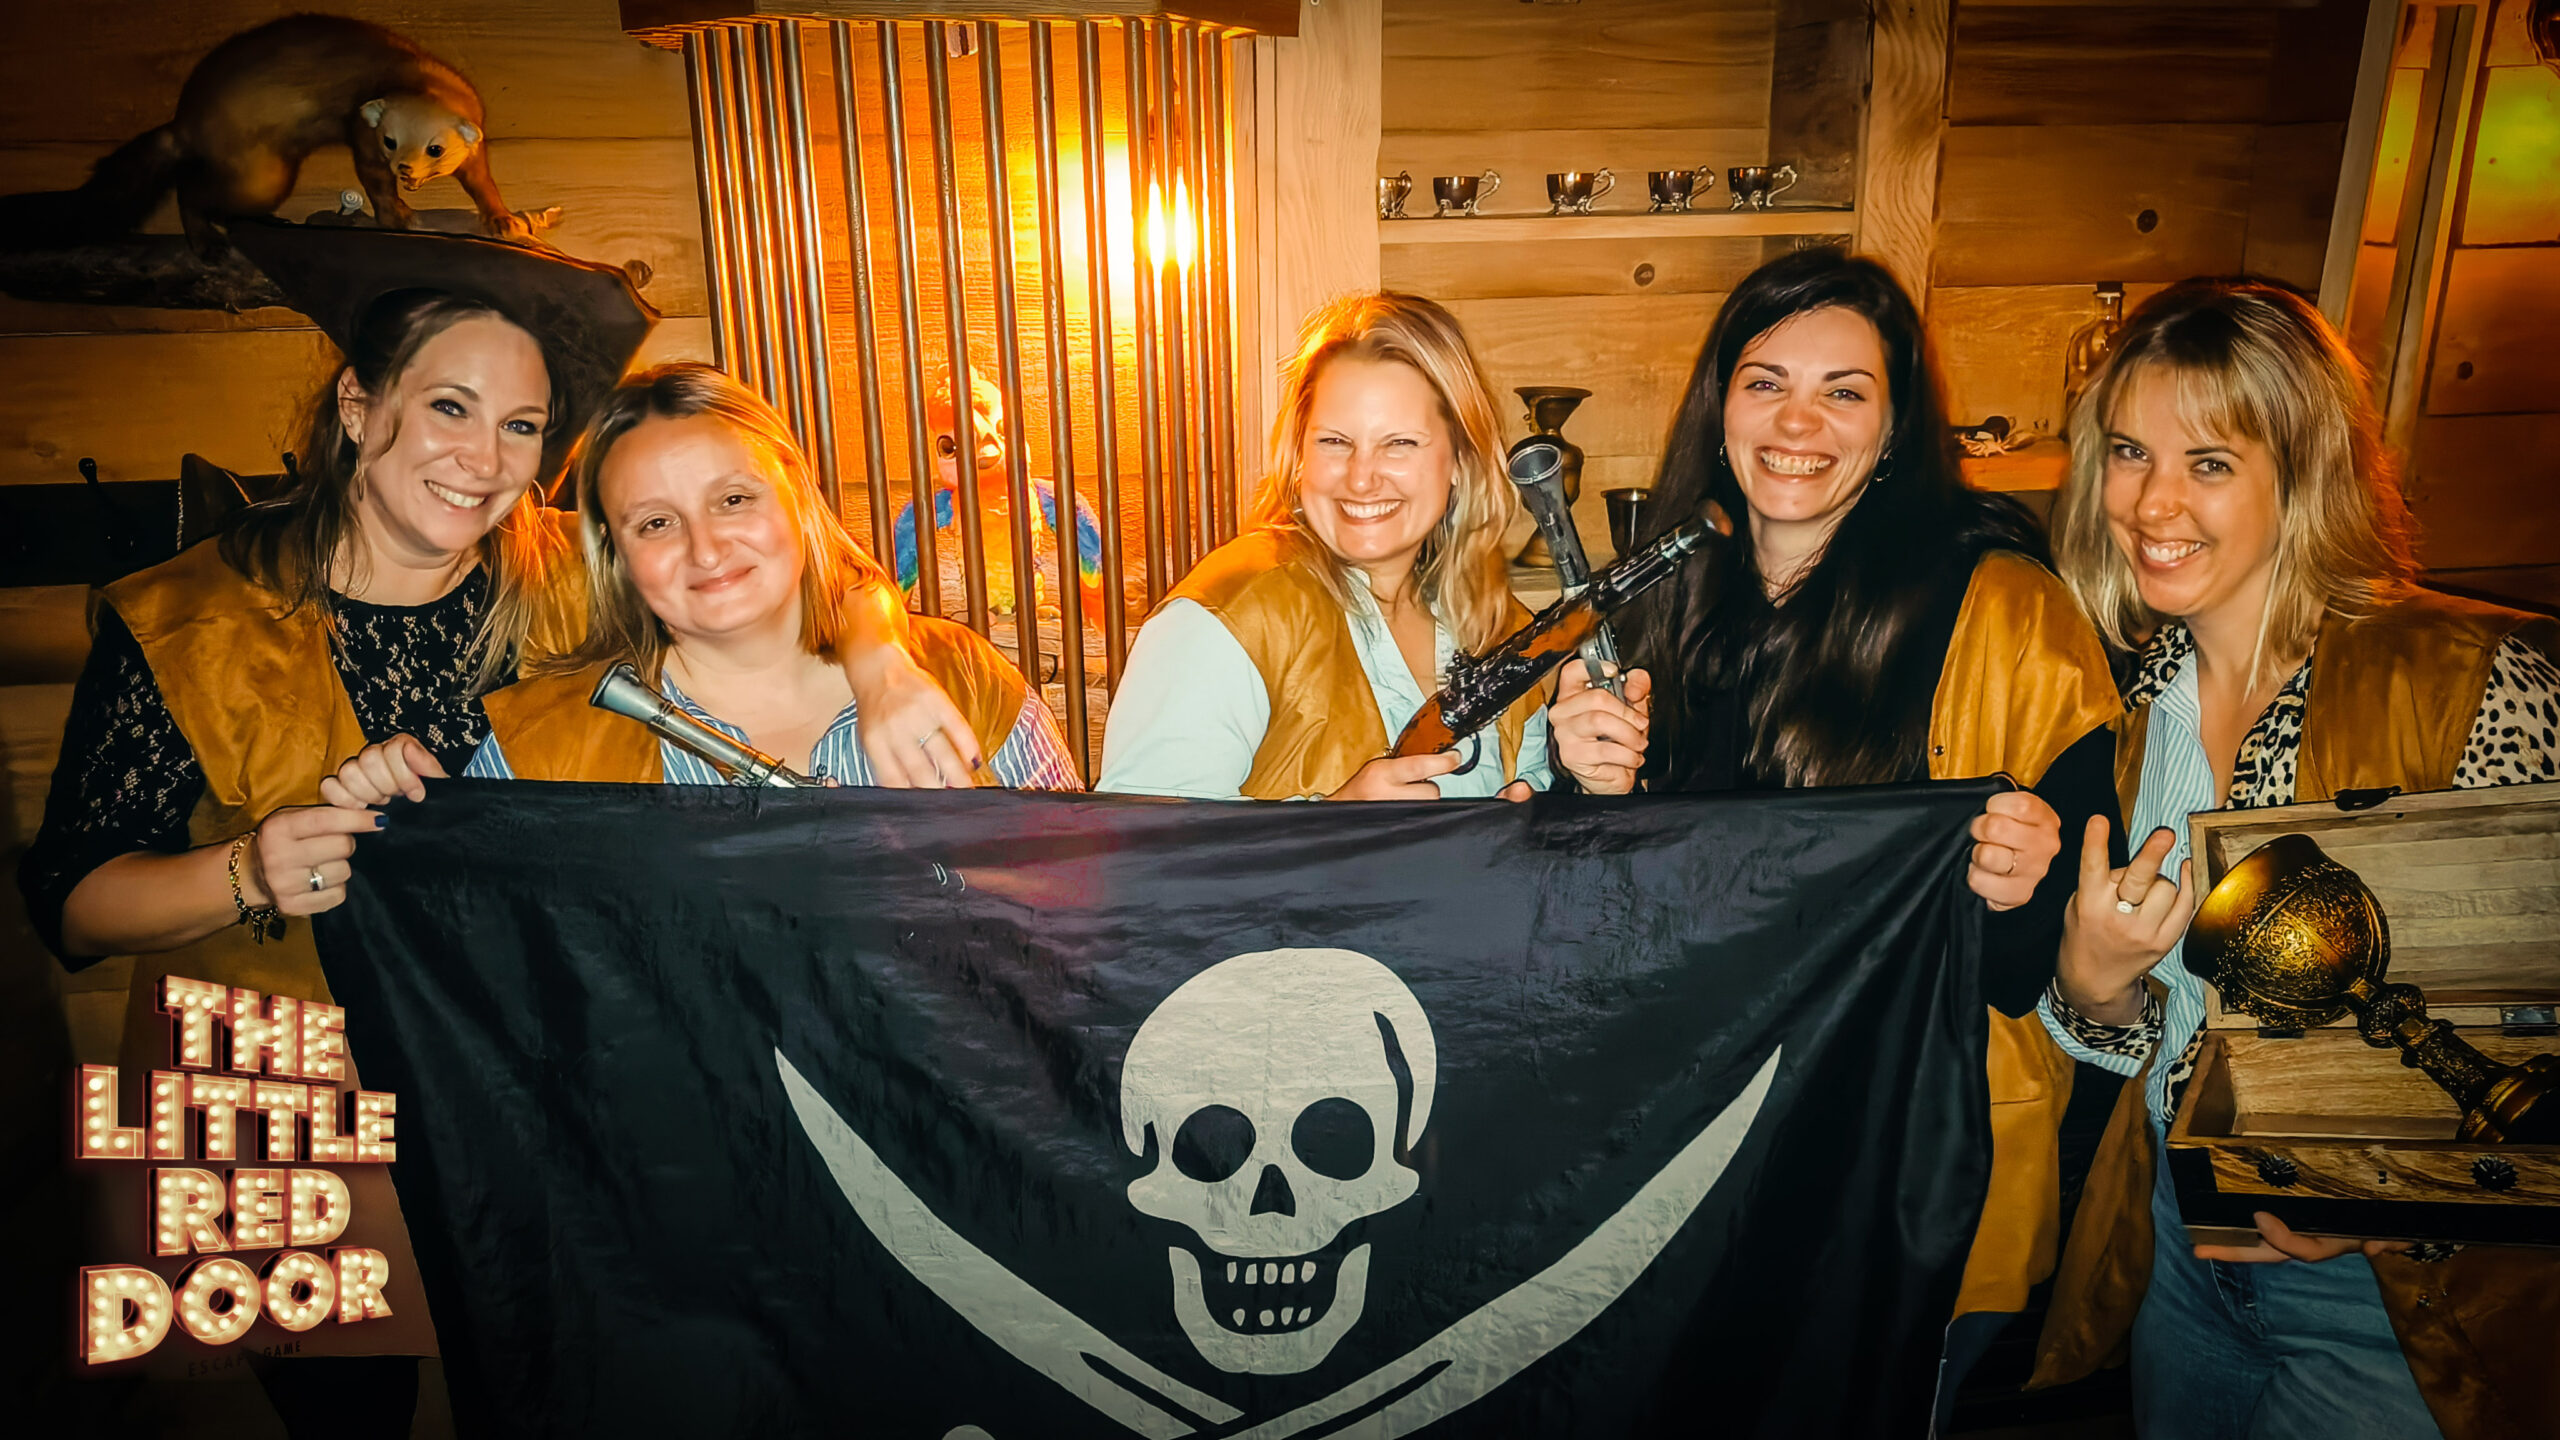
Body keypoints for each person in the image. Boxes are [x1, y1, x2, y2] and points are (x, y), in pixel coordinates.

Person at [12, 223, 987, 1435]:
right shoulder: (184, 617)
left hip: (524, 1069)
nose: (482, 460)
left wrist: (884, 659)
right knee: (351, 1414)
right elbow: (73, 905)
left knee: (550, 1379)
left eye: (520, 426)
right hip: (274, 1077)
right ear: (360, 405)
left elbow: (783, 565)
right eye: (448, 408)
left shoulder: (572, 570)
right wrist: (249, 869)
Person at [1552, 247, 2123, 1411]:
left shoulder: (2005, 609)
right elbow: (1593, 929)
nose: (1796, 423)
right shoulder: (1655, 599)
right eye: (1764, 383)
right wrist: (1580, 793)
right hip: (1687, 1180)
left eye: (1843, 391)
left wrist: (2023, 893)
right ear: (1718, 408)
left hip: (1901, 1193)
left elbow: (2050, 980)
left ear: (1895, 423)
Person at [2029, 279, 2560, 1439]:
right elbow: (2168, 1034)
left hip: (2395, 1297)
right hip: (2184, 1247)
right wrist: (2090, 984)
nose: (2152, 502)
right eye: (2129, 453)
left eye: (2210, 462)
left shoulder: (2465, 683)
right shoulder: (2134, 710)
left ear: (2302, 474)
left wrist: (2404, 1195)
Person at [340, 363, 1079, 790]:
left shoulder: (968, 683)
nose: (706, 548)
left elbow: (1086, 929)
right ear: (616, 552)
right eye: (656, 522)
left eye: (733, 500)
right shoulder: (539, 751)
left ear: (796, 496)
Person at [1097, 291, 1549, 800]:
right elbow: (1145, 837)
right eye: (1335, 441)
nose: (1361, 479)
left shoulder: (1500, 624)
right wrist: (1337, 818)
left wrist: (1589, 781)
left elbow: (1537, 807)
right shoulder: (1227, 616)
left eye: (1400, 443)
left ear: (1461, 461)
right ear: (1299, 457)